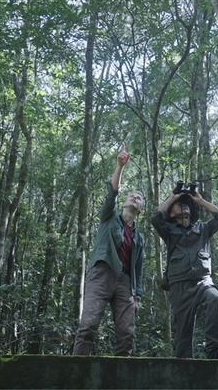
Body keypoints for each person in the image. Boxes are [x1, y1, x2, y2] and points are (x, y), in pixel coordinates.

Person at [72, 143, 146, 356]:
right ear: (124, 202)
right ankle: (77, 373)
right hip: (102, 273)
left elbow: (138, 269)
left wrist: (137, 295)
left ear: (141, 209)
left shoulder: (139, 238)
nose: (134, 197)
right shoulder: (109, 218)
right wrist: (120, 166)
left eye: (139, 198)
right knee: (88, 325)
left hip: (125, 282)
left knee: (127, 333)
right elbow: (112, 193)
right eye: (132, 195)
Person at [151, 188, 218, 359]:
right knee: (182, 332)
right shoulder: (168, 230)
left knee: (215, 298)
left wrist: (200, 201)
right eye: (178, 205)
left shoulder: (203, 229)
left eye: (185, 204)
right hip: (179, 284)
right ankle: (184, 366)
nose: (183, 206)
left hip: (202, 281)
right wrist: (172, 197)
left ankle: (216, 350)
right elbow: (155, 218)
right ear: (171, 212)